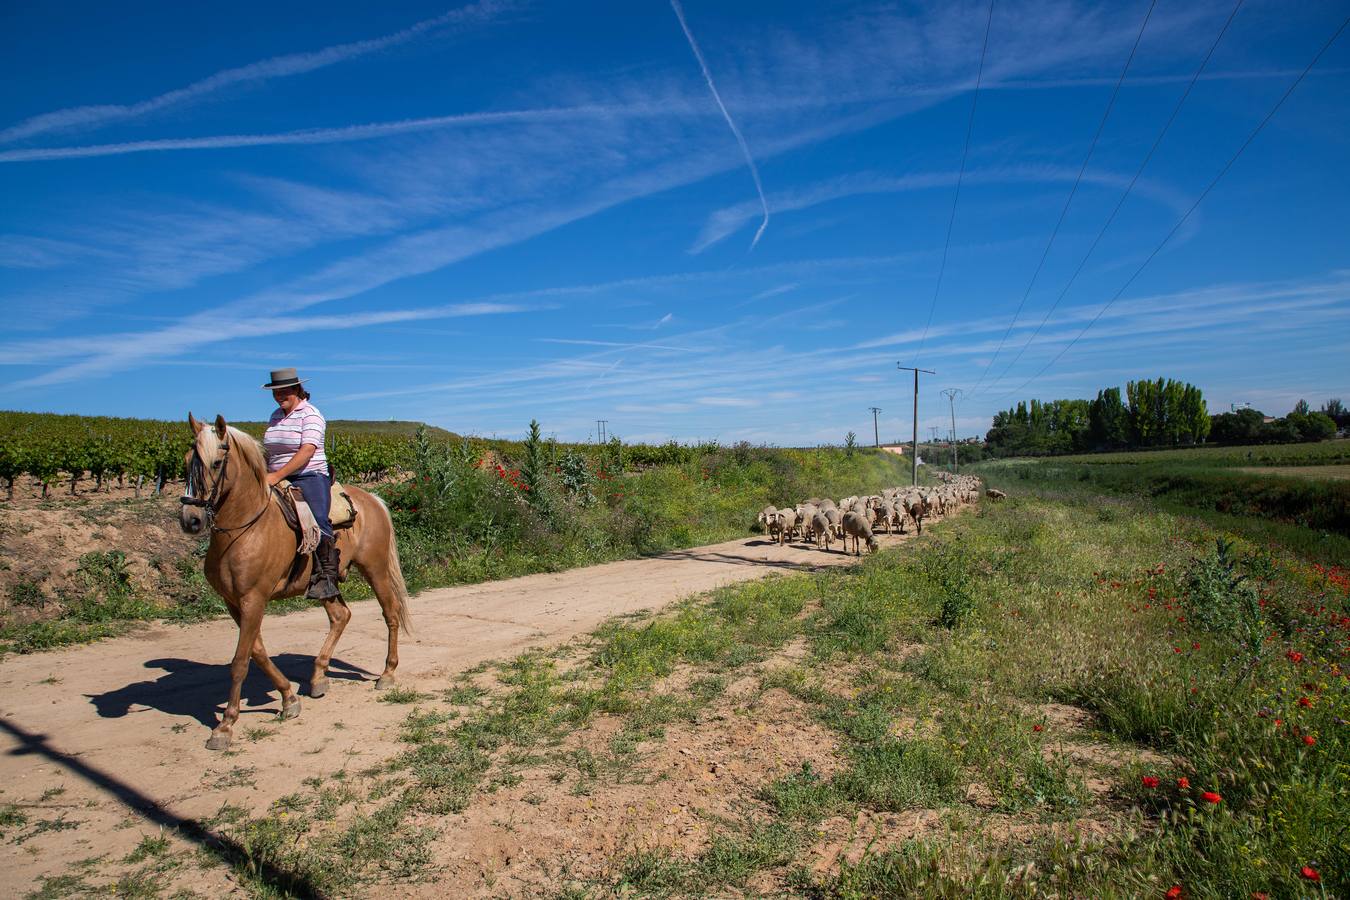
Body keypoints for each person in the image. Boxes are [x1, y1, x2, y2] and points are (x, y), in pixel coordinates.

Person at [261, 367, 341, 601]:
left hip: (309, 475)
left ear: (297, 389)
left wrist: (277, 476)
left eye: (284, 391)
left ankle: (327, 575)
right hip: (275, 474)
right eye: (275, 392)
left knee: (317, 518)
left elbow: (307, 451)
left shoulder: (311, 414)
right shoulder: (275, 416)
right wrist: (265, 472)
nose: (279, 396)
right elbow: (270, 450)